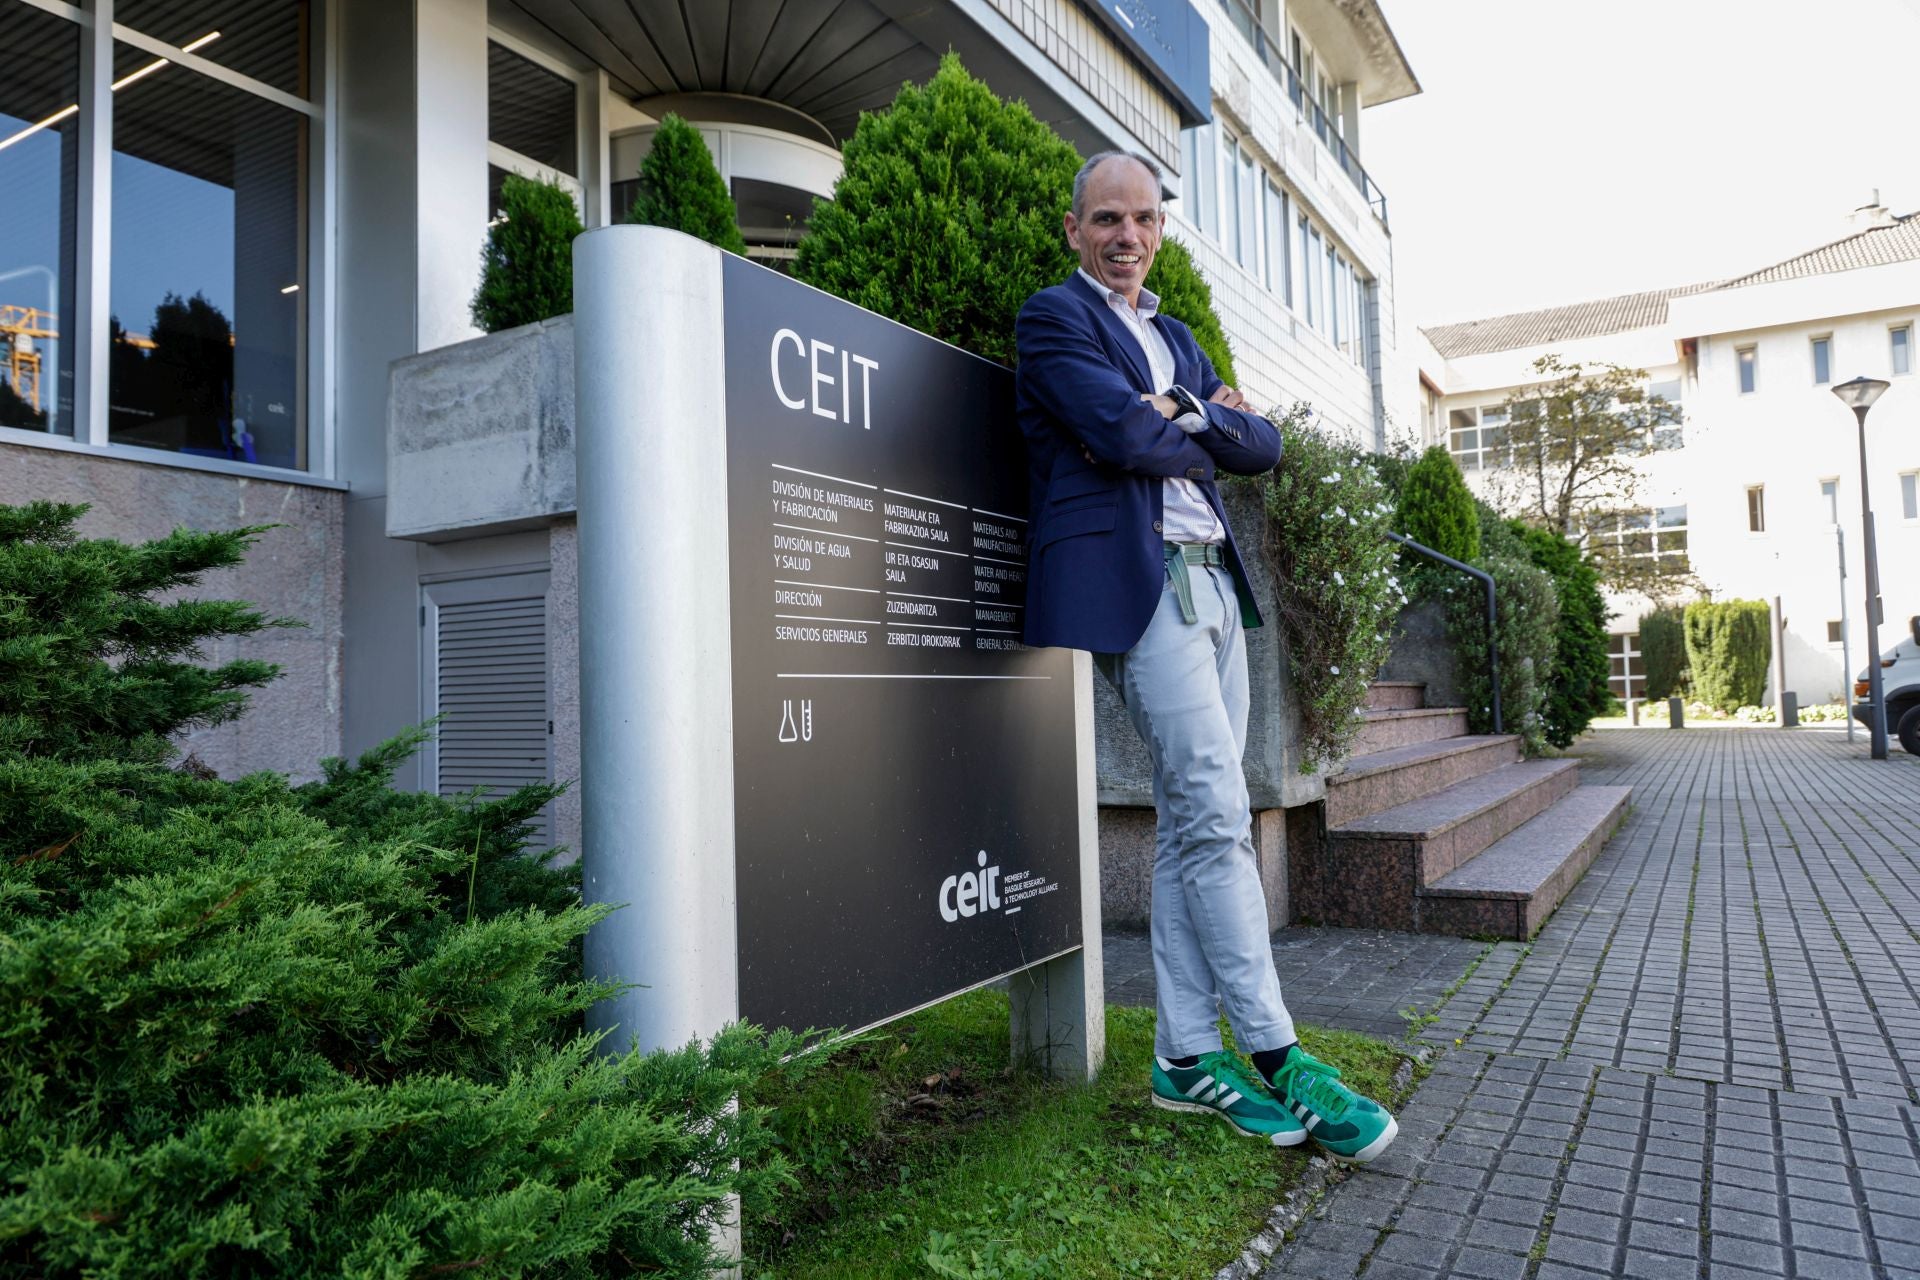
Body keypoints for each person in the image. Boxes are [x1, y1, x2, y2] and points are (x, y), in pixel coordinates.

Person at [1014, 150, 1396, 1164]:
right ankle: (1279, 1052)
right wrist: (1201, 422)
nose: (1127, 236)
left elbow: (1262, 447)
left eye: (1143, 218)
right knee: (1219, 811)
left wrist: (1185, 416)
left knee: (1193, 821)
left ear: (1160, 229)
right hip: (1138, 589)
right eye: (1107, 219)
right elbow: (1119, 437)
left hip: (1216, 586)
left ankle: (1184, 1059)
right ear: (1075, 229)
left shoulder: (1176, 334)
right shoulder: (1054, 319)